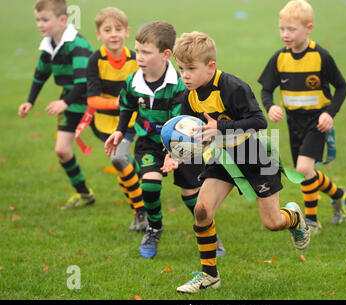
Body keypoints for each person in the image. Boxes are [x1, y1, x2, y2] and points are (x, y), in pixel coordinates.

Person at [164, 31, 310, 294]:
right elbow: (186, 131)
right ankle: (209, 276)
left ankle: (295, 217)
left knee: (272, 223)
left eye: (191, 69)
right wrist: (174, 154)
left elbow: (259, 121)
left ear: (211, 66)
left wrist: (219, 127)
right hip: (224, 158)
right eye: (181, 69)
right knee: (202, 211)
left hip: (255, 156)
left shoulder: (232, 87)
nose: (184, 75)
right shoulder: (191, 95)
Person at [104, 22, 225, 258]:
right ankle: (154, 228)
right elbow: (127, 106)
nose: (139, 56)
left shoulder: (179, 86)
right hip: (149, 142)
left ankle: (209, 233)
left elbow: (178, 123)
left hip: (185, 144)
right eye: (137, 50)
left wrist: (174, 155)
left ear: (165, 54)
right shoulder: (132, 82)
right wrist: (120, 131)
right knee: (149, 185)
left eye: (146, 52)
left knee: (192, 195)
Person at [258, 0, 346, 235]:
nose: (285, 34)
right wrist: (270, 107)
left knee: (303, 168)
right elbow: (266, 90)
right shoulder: (280, 58)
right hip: (293, 121)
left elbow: (341, 87)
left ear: (308, 28)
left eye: (291, 29)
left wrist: (329, 114)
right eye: (282, 29)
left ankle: (310, 221)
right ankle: (339, 194)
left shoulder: (320, 56)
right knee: (304, 172)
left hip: (317, 122)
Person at [18, 0, 95, 210]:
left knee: (116, 152)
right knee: (62, 150)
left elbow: (83, 83)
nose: (40, 24)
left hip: (93, 101)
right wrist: (30, 101)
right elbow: (40, 74)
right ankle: (84, 194)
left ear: (62, 20)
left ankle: (142, 187)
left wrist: (65, 102)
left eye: (45, 20)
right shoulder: (49, 45)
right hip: (69, 100)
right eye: (37, 20)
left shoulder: (77, 45)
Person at [85, 7, 146, 231]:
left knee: (119, 160)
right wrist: (117, 103)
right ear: (99, 35)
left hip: (129, 122)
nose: (113, 34)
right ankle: (142, 203)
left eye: (118, 29)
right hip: (103, 123)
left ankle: (141, 212)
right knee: (123, 163)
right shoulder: (95, 60)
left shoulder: (135, 59)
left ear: (127, 32)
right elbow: (92, 99)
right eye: (107, 29)